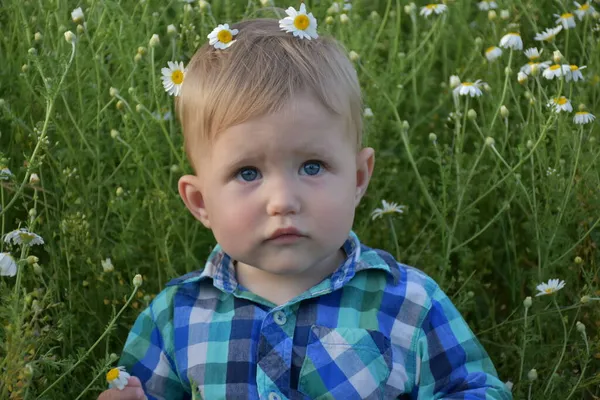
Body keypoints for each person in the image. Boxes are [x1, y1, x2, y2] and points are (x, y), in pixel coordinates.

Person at [98, 9, 512, 400]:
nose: (283, 201)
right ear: (201, 201)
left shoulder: (409, 304)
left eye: (312, 167)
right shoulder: (176, 318)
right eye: (247, 173)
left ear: (358, 178)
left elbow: (476, 388)